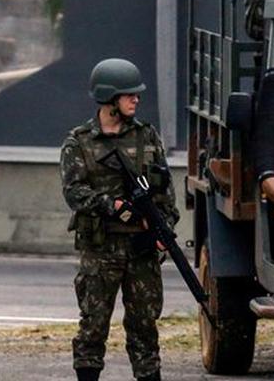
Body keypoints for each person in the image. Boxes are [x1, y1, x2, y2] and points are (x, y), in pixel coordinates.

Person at [60, 59, 178, 381]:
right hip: (101, 249)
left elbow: (164, 190)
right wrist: (111, 204)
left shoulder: (147, 136)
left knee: (144, 326)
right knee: (93, 325)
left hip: (141, 248)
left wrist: (163, 228)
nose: (136, 100)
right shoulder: (80, 142)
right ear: (110, 99)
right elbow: (73, 193)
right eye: (129, 95)